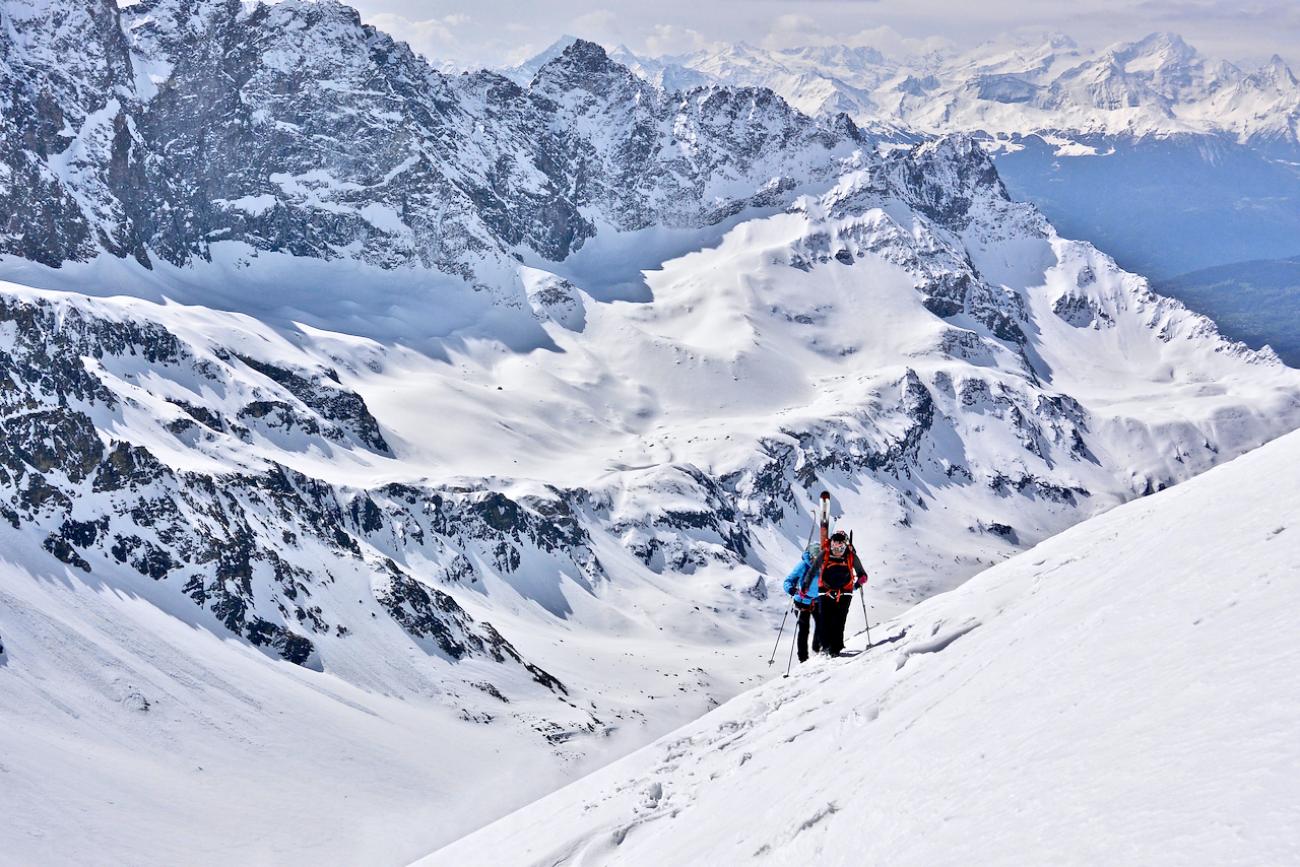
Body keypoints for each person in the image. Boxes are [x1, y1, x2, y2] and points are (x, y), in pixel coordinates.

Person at [784, 529, 867, 660]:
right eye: (835, 548)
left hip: (821, 595)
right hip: (820, 597)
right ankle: (815, 653)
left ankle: (826, 648)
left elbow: (813, 573)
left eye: (840, 548)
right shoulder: (848, 556)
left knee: (825, 622)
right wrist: (794, 590)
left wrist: (804, 587)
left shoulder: (829, 556)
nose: (837, 551)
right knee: (821, 624)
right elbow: (791, 580)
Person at [817, 530, 868, 656]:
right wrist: (856, 585)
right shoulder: (851, 555)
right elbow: (863, 576)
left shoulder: (825, 553)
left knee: (825, 619)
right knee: (839, 619)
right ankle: (835, 647)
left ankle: (827, 647)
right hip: (846, 591)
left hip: (825, 591)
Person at [782, 541, 823, 663]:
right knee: (804, 629)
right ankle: (803, 659)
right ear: (811, 556)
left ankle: (817, 649)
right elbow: (788, 581)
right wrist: (791, 589)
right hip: (801, 602)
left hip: (817, 600)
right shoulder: (803, 566)